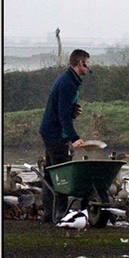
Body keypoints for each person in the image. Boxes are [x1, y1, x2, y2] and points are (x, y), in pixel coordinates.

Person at [38, 49, 91, 222]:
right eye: (87, 63)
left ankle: (48, 214)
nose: (89, 67)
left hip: (49, 130)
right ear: (80, 63)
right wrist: (74, 137)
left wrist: (73, 110)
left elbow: (63, 108)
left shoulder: (67, 79)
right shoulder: (68, 83)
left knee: (50, 172)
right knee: (61, 173)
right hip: (54, 133)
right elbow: (61, 115)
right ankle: (59, 214)